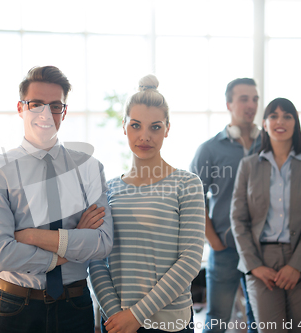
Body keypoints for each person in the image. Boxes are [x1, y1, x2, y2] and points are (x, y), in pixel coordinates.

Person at [0, 65, 113, 333]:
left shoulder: (89, 167)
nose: (45, 114)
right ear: (20, 108)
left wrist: (31, 236)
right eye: (36, 104)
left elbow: (102, 244)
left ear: (64, 111)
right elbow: (0, 256)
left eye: (54, 106)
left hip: (74, 305)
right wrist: (73, 243)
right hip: (16, 305)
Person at [89, 74, 205, 333]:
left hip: (170, 323)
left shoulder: (187, 183)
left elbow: (190, 260)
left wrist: (136, 316)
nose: (144, 136)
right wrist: (117, 314)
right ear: (123, 126)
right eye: (135, 125)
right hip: (117, 321)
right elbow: (96, 259)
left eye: (155, 127)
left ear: (167, 128)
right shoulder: (106, 189)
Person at [231, 98, 301, 333]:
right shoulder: (248, 166)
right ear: (265, 124)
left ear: (295, 123)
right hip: (261, 259)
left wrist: (297, 265)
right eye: (273, 116)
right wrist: (254, 266)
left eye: (287, 116)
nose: (280, 121)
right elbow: (238, 219)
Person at [190, 78, 260, 333]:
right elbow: (194, 200)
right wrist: (215, 242)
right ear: (229, 104)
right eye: (244, 99)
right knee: (217, 320)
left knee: (260, 320)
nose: (251, 105)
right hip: (225, 249)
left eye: (255, 99)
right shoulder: (209, 149)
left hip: (263, 250)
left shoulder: (269, 145)